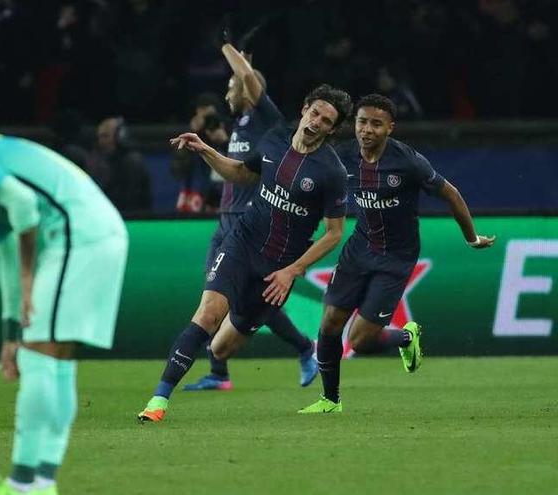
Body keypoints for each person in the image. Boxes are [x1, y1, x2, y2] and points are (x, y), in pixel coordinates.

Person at [138, 82, 352, 422]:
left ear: (333, 128)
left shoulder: (332, 172)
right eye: (314, 113)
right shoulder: (273, 140)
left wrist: (293, 270)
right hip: (242, 242)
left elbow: (334, 233)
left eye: (326, 121)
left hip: (278, 268)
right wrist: (206, 149)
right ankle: (158, 401)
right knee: (207, 315)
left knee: (222, 348)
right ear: (304, 109)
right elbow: (239, 173)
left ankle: (298, 351)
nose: (316, 123)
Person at [0, 134, 127, 495]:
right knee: (56, 360)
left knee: (40, 355)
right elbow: (7, 262)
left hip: (80, 233)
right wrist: (11, 334)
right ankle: (41, 482)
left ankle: (22, 483)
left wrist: (29, 279)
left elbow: (24, 204)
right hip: (97, 230)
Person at [298, 94, 495, 413]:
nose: (367, 130)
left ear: (390, 127)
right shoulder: (343, 158)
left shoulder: (408, 162)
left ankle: (405, 338)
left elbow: (452, 194)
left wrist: (471, 238)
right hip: (358, 250)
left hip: (396, 259)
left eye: (376, 124)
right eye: (362, 122)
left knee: (360, 341)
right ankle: (330, 400)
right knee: (330, 324)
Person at [182, 41, 318, 392]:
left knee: (251, 299)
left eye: (232, 86)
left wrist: (229, 49)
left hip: (250, 224)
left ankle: (304, 348)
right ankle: (218, 372)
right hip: (225, 220)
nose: (227, 92)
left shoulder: (267, 121)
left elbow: (246, 78)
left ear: (246, 90)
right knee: (217, 293)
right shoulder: (240, 125)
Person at [86, 117, 152, 212]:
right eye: (99, 137)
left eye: (105, 136)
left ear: (120, 136)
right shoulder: (104, 161)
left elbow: (128, 201)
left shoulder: (131, 162)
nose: (101, 142)